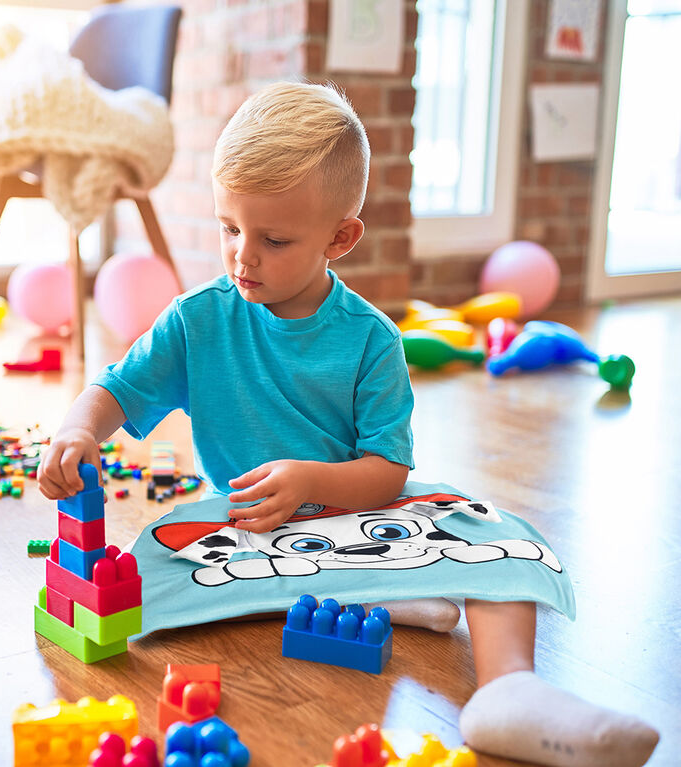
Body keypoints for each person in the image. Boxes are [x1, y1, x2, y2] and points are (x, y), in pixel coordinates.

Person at [38, 82, 658, 767]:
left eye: (273, 239)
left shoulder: (372, 341)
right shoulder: (196, 319)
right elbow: (115, 390)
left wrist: (311, 479)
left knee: (498, 539)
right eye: (229, 228)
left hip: (359, 520)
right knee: (136, 568)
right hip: (248, 533)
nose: (243, 256)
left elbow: (386, 474)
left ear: (341, 236)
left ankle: (507, 688)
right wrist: (77, 430)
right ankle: (389, 596)